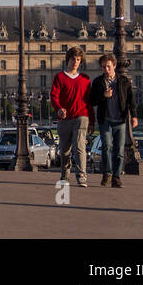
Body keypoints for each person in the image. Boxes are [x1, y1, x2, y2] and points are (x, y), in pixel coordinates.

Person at [87, 53, 138, 188]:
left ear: (114, 66)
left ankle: (116, 176)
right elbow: (92, 101)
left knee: (119, 150)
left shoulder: (123, 81)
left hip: (120, 120)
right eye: (103, 67)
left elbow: (130, 100)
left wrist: (134, 116)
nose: (106, 70)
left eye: (108, 67)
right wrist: (104, 96)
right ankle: (107, 174)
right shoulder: (98, 82)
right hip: (105, 120)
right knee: (107, 147)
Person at [51, 46, 91, 187]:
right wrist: (58, 109)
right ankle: (65, 173)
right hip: (65, 118)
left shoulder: (85, 80)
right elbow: (54, 96)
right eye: (73, 59)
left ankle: (81, 176)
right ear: (68, 60)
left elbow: (89, 102)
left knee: (79, 146)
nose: (75, 62)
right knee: (64, 149)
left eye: (78, 59)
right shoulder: (60, 77)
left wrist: (92, 121)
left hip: (81, 116)